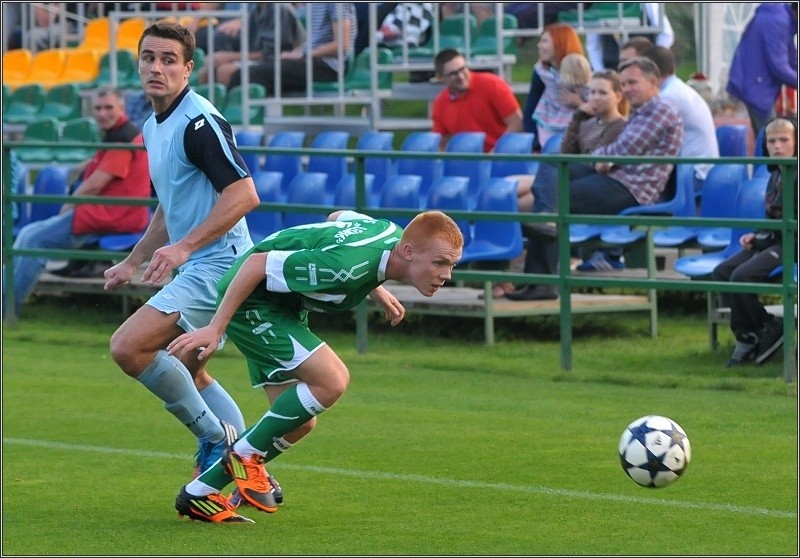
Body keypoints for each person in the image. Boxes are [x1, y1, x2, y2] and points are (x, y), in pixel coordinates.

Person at [165, 209, 465, 523]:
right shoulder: (347, 267)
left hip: (284, 307)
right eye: (440, 262)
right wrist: (215, 328)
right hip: (253, 304)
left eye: (452, 265)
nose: (446, 274)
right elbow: (256, 264)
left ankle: (199, 494)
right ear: (408, 251)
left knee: (299, 423)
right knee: (332, 380)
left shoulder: (387, 234)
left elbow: (339, 217)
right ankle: (244, 457)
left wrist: (375, 288)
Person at [103, 21, 264, 498]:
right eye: (149, 57)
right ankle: (241, 461)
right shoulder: (155, 125)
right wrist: (135, 259)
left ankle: (216, 441)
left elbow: (244, 194)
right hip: (203, 262)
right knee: (190, 369)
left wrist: (186, 247)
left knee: (129, 347)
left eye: (168, 60)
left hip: (219, 264)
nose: (156, 67)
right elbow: (169, 204)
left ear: (188, 68)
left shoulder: (199, 122)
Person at [4, 87, 150, 319]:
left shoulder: (123, 139)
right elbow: (102, 168)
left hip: (109, 215)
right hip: (109, 212)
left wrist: (69, 204)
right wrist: (82, 167)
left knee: (31, 240)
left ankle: (7, 309)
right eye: (99, 108)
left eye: (109, 107)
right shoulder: (121, 133)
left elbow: (96, 184)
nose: (103, 113)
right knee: (29, 234)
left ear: (121, 109)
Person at [546, 57, 683, 273]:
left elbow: (625, 148)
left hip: (632, 189)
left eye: (632, 83)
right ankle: (543, 229)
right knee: (554, 166)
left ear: (653, 82)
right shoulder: (641, 112)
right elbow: (614, 150)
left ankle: (543, 273)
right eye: (624, 83)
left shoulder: (661, 109)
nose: (627, 89)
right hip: (614, 178)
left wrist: (602, 158)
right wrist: (601, 158)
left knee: (556, 196)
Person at [507, 69, 628, 300]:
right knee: (543, 208)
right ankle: (537, 281)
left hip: (599, 185)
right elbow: (566, 152)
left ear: (618, 97)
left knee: (545, 207)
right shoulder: (588, 122)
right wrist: (578, 118)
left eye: (603, 92)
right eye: (592, 92)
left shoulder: (620, 126)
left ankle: (540, 282)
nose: (595, 97)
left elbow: (594, 160)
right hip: (574, 179)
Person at [711, 116, 797, 367]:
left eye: (784, 140)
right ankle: (761, 327)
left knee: (741, 276)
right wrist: (756, 236)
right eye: (772, 141)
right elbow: (774, 219)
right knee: (722, 272)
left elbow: (791, 227)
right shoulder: (776, 175)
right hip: (775, 240)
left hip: (793, 245)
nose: (777, 146)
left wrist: (763, 238)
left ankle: (749, 339)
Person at [225, 3, 357, 94]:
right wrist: (296, 53)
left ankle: (230, 126)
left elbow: (342, 45)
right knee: (248, 71)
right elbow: (312, 43)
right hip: (311, 60)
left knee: (245, 74)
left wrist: (304, 54)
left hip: (329, 66)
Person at [643, 44, 718, 189]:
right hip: (700, 170)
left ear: (651, 72)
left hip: (693, 176)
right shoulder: (677, 89)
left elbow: (644, 141)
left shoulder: (667, 97)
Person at [725, 3, 798, 139]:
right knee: (773, 140)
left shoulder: (784, 20)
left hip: (754, 85)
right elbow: (779, 67)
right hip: (755, 89)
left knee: (769, 140)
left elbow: (791, 58)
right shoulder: (779, 21)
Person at [431, 48, 523, 153]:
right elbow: (439, 143)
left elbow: (516, 123)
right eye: (453, 73)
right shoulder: (440, 103)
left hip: (503, 156)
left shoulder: (492, 84)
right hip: (469, 161)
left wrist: (494, 154)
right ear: (441, 78)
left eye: (462, 69)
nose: (461, 76)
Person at [197, 3, 305, 86]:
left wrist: (229, 57)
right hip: (264, 60)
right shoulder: (255, 9)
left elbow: (273, 53)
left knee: (225, 71)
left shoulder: (279, 9)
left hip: (287, 63)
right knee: (206, 70)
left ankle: (237, 112)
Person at [521, 22, 585, 151]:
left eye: (544, 41)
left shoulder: (583, 72)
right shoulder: (541, 72)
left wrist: (579, 103)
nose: (539, 46)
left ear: (559, 43)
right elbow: (530, 109)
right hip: (545, 130)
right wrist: (535, 145)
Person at [585, 2, 674, 71]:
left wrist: (653, 63)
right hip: (611, 68)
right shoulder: (598, 5)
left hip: (643, 68)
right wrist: (601, 72)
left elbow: (666, 35)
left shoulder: (648, 4)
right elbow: (593, 43)